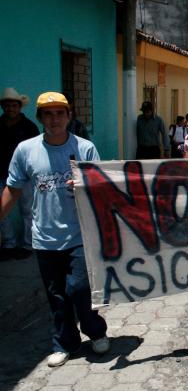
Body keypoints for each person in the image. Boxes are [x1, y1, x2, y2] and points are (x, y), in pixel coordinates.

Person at [1, 92, 109, 367]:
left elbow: (101, 189)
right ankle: (65, 343)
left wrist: (85, 185)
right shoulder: (26, 150)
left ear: (69, 116)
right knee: (56, 294)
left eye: (60, 112)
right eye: (48, 113)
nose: (55, 118)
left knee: (80, 288)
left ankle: (95, 331)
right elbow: (13, 189)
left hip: (79, 235)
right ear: (39, 118)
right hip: (44, 237)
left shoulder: (84, 148)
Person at [0, 88, 39, 261]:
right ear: (3, 107)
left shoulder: (29, 127)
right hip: (1, 174)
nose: (10, 109)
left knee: (27, 210)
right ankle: (8, 244)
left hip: (25, 177)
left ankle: (28, 244)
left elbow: (37, 152)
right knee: (2, 210)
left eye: (14, 105)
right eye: (7, 105)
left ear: (20, 107)